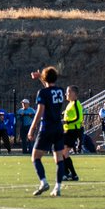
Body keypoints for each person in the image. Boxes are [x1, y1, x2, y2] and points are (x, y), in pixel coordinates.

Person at [26, 67, 69, 197]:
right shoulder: (60, 91)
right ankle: (58, 187)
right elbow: (50, 90)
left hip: (46, 128)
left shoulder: (42, 92)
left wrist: (32, 128)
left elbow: (40, 111)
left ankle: (44, 182)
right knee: (59, 159)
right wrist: (41, 77)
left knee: (35, 157)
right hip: (58, 128)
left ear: (45, 79)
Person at [60, 87, 83, 181]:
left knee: (63, 152)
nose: (66, 94)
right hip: (67, 130)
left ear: (74, 93)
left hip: (72, 131)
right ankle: (71, 174)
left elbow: (79, 118)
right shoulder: (69, 104)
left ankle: (68, 173)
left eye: (68, 92)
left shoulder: (76, 103)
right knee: (63, 152)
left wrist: (66, 122)